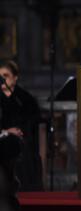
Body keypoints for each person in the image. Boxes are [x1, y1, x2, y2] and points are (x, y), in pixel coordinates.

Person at [0, 60, 43, 191]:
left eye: (5, 76)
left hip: (24, 144)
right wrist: (5, 131)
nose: (2, 80)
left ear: (15, 77)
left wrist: (18, 131)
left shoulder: (25, 99)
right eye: (0, 77)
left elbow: (33, 123)